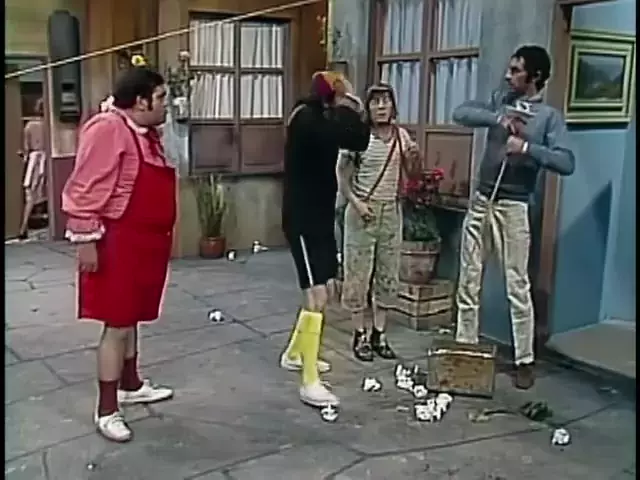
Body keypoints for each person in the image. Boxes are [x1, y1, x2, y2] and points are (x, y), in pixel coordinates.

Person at [451, 45, 575, 389]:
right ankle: (465, 348)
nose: (508, 76)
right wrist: (498, 118)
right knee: (469, 279)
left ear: (535, 76)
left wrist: (527, 148)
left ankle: (524, 359)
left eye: (516, 70)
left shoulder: (548, 117)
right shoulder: (499, 101)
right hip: (482, 201)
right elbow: (460, 113)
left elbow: (566, 162)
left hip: (514, 206)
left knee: (517, 285)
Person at [61, 65, 175, 442]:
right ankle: (107, 408)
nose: (166, 104)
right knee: (118, 323)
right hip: (118, 241)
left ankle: (131, 383)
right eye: (161, 98)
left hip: (146, 242)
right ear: (141, 101)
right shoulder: (108, 129)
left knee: (133, 316)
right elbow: (84, 186)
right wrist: (86, 240)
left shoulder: (145, 133)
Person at [280, 71, 371, 407]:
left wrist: (352, 106)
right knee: (316, 295)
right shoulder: (306, 118)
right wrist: (352, 106)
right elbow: (345, 133)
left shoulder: (326, 117)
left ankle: (295, 353)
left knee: (328, 289)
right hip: (302, 218)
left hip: (320, 217)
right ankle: (309, 381)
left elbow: (359, 140)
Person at [337, 84, 421, 362]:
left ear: (393, 106)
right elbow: (342, 177)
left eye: (386, 101)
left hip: (391, 213)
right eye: (376, 102)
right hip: (362, 211)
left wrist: (413, 157)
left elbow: (413, 175)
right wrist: (357, 203)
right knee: (358, 276)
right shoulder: (357, 137)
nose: (381, 107)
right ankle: (359, 334)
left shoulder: (401, 136)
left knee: (387, 276)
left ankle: (379, 333)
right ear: (368, 108)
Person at [19, 98, 46, 240]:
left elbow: (26, 149)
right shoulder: (47, 126)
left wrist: (23, 156)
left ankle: (23, 228)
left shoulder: (29, 126)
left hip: (34, 160)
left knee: (30, 195)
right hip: (46, 160)